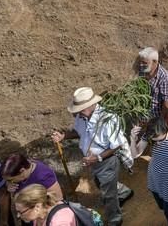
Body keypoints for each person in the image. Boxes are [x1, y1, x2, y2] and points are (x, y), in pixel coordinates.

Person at [50, 87, 133, 226]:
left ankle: (115, 219)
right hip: (93, 162)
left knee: (108, 194)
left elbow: (116, 145)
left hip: (106, 161)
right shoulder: (81, 117)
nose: (78, 112)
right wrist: (64, 136)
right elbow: (79, 132)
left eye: (81, 108)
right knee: (100, 183)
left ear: (91, 105)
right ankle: (124, 192)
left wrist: (98, 158)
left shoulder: (109, 118)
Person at [128, 117, 168, 226]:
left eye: (161, 140)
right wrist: (132, 139)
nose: (159, 143)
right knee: (162, 205)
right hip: (154, 176)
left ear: (167, 130)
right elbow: (135, 154)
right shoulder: (150, 134)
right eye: (155, 141)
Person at [14, 184, 87, 226]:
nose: (18, 215)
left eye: (21, 212)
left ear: (37, 207)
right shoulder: (39, 215)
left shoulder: (59, 222)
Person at [138, 47, 168, 121]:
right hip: (142, 118)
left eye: (144, 63)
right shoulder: (143, 71)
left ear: (155, 62)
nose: (141, 65)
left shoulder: (165, 78)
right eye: (141, 62)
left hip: (156, 120)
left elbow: (166, 104)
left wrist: (159, 123)